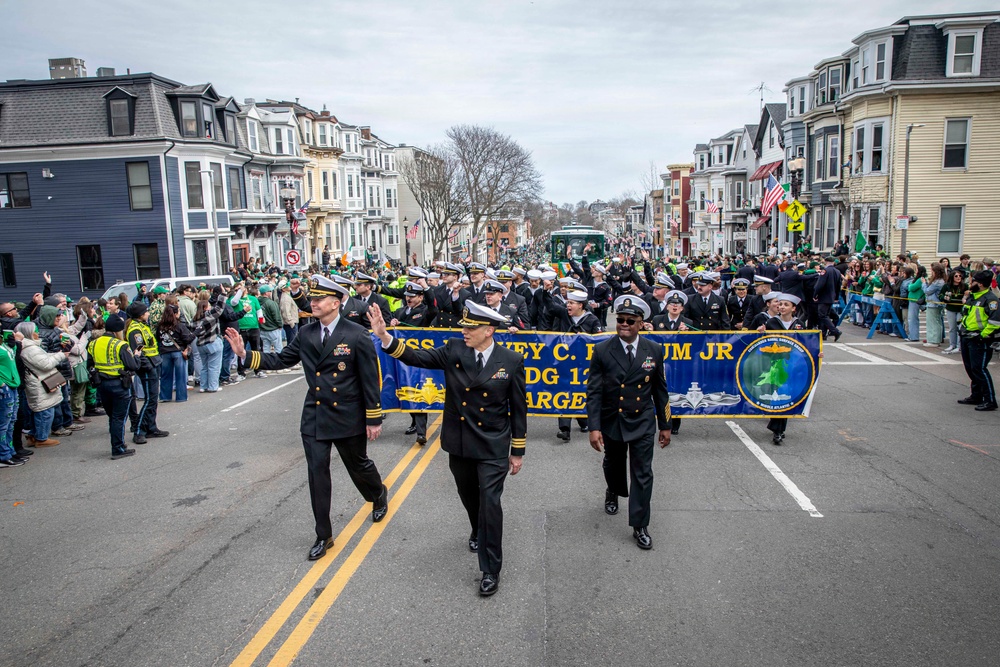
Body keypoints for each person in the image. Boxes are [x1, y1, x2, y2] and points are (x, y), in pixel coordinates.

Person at [226, 275, 389, 561]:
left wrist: (373, 417)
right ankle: (323, 534)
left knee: (358, 465)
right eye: (311, 299)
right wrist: (245, 355)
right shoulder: (306, 333)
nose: (312, 303)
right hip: (315, 414)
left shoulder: (355, 334)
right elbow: (281, 360)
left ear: (336, 303)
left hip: (348, 413)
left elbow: (370, 379)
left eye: (318, 299)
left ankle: (377, 493)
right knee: (317, 474)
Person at [370, 300, 527, 597]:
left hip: (493, 444)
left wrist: (517, 450)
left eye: (471, 327)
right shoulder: (454, 349)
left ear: (489, 331)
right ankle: (476, 527)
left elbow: (519, 408)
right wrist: (385, 338)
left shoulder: (511, 360)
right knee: (470, 496)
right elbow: (416, 357)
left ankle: (490, 569)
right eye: (464, 326)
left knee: (490, 503)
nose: (464, 331)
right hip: (461, 441)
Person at [586, 295, 671, 550]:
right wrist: (594, 427)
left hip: (642, 419)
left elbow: (660, 389)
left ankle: (640, 524)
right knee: (613, 464)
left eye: (629, 321)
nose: (623, 324)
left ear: (641, 323)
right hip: (613, 419)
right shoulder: (602, 350)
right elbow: (594, 392)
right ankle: (612, 489)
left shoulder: (654, 350)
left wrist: (665, 424)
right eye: (620, 320)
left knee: (643, 473)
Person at [389, 282, 439, 446]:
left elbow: (433, 309)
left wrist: (426, 288)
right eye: (407, 296)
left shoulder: (425, 311)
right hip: (401, 357)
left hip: (419, 356)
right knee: (406, 390)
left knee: (419, 391)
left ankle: (421, 432)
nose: (408, 299)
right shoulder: (400, 311)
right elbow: (390, 321)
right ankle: (414, 422)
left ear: (420, 297)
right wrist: (393, 323)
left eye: (412, 296)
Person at [87, 314, 141, 460]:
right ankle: (117, 447)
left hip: (102, 385)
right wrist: (136, 356)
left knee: (112, 417)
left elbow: (90, 364)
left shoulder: (93, 343)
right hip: (119, 384)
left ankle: (118, 444)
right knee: (119, 418)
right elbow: (133, 366)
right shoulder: (120, 345)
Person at [757, 294, 806, 444]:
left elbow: (807, 343)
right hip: (773, 365)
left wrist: (818, 353)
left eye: (786, 305)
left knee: (786, 395)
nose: (782, 307)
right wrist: (760, 332)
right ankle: (778, 429)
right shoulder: (771, 322)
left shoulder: (799, 324)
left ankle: (778, 429)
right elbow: (760, 341)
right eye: (780, 304)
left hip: (792, 365)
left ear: (794, 308)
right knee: (776, 392)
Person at [16, 321, 69, 448]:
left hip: (38, 381)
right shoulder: (30, 349)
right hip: (40, 383)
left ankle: (34, 434)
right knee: (45, 410)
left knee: (40, 409)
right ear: (29, 333)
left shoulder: (28, 347)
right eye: (35, 330)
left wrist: (57, 354)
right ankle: (41, 438)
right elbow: (45, 364)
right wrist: (61, 355)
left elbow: (43, 358)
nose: (38, 333)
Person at [956, 270, 1000, 411]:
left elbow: (995, 322)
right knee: (971, 369)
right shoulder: (973, 297)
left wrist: (982, 335)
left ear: (980, 284)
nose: (970, 283)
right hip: (967, 336)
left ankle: (990, 400)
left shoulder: (991, 300)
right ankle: (976, 395)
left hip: (979, 339)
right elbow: (966, 315)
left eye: (972, 281)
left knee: (979, 369)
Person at [125, 301, 168, 445]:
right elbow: (138, 351)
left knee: (153, 399)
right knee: (149, 399)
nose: (149, 313)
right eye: (146, 311)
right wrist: (148, 366)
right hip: (147, 366)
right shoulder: (135, 330)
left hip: (153, 362)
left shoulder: (142, 326)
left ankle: (151, 427)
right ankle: (139, 431)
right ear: (141, 314)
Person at [156, 301, 194, 403]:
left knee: (165, 376)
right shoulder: (179, 325)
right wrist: (195, 333)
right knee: (180, 376)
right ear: (176, 314)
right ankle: (181, 397)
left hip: (164, 352)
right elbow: (188, 339)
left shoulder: (160, 326)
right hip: (178, 352)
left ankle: (165, 396)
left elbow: (158, 339)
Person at [1, 324, 25, 466]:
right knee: (3, 424)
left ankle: (9, 451)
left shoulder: (3, 344)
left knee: (11, 422)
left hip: (13, 386)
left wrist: (15, 345)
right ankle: (3, 455)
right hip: (5, 388)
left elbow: (11, 358)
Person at [940, 270, 967, 354]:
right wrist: (945, 298)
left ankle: (959, 346)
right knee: (952, 328)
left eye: (960, 276)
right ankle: (952, 344)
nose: (958, 277)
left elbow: (969, 295)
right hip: (950, 308)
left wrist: (965, 297)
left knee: (959, 328)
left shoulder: (965, 286)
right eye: (956, 276)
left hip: (960, 309)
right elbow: (940, 295)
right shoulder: (947, 286)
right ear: (952, 277)